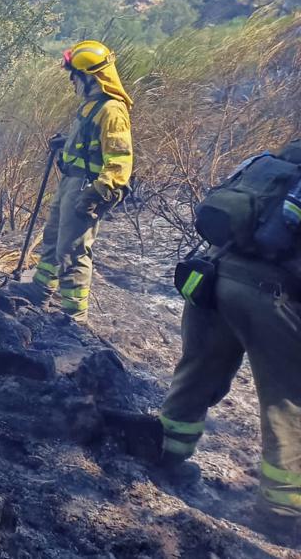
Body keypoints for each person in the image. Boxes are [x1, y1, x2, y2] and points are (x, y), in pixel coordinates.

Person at [157, 140, 301, 546]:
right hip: (268, 296)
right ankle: (280, 515)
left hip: (212, 279)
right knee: (288, 401)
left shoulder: (270, 164)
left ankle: (167, 454)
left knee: (197, 373)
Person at [15, 40, 134, 323]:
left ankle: (74, 316)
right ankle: (41, 290)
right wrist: (65, 143)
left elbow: (119, 160)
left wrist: (97, 193)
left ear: (91, 76)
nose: (72, 81)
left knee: (74, 251)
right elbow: (88, 144)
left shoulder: (112, 111)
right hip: (70, 183)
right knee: (54, 237)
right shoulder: (90, 106)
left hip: (85, 189)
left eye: (75, 75)